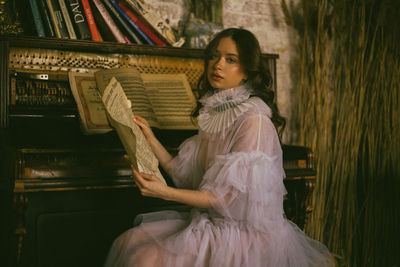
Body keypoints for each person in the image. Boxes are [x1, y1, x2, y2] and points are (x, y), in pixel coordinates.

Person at [104, 28, 335, 267]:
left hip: (241, 234)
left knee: (144, 260)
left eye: (230, 59)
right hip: (209, 221)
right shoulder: (215, 111)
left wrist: (164, 193)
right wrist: (149, 138)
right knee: (127, 242)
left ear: (247, 71)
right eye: (214, 56)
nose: (218, 65)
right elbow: (185, 175)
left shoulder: (253, 119)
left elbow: (225, 197)